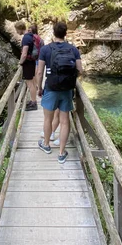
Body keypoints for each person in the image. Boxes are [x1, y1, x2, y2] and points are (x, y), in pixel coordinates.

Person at [36, 22, 83, 163]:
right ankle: (62, 153)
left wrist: (39, 88)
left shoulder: (45, 49)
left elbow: (39, 72)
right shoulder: (73, 49)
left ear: (53, 33)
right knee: (64, 121)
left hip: (50, 88)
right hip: (67, 90)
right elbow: (80, 70)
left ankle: (46, 145)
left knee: (47, 119)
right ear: (66, 34)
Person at [14, 20, 39, 111]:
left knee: (30, 83)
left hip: (28, 63)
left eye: (16, 30)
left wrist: (20, 63)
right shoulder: (30, 36)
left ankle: (33, 103)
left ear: (20, 29)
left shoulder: (26, 38)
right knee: (31, 82)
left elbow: (24, 54)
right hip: (31, 62)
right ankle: (33, 100)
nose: (16, 32)